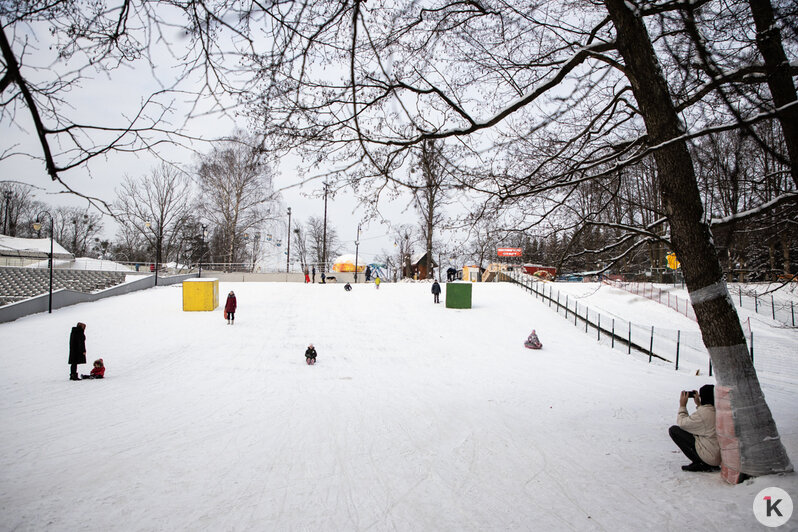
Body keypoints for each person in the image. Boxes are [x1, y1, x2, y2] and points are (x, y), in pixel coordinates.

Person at [668, 384, 721, 472]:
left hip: (710, 457)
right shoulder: (717, 410)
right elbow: (705, 419)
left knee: (674, 430)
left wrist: (682, 406)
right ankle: (704, 462)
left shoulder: (704, 413)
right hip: (717, 454)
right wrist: (699, 405)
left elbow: (682, 423)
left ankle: (700, 463)